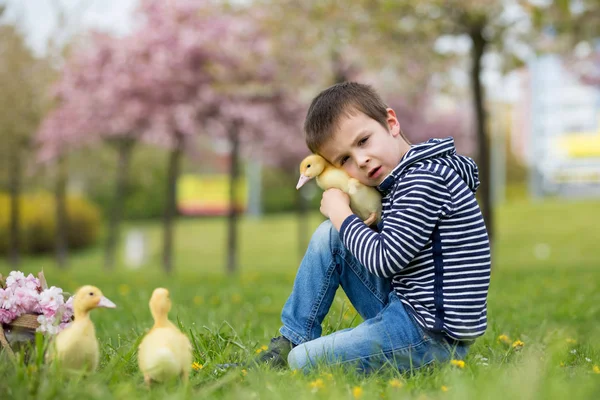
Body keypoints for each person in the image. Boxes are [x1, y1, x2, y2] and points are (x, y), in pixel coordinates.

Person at [253, 82, 491, 373]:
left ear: (391, 123)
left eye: (363, 141)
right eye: (345, 160)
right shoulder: (403, 178)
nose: (361, 160)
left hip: (431, 336)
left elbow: (385, 259)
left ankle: (432, 364)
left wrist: (341, 214)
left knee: (303, 362)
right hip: (408, 309)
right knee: (331, 236)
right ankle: (291, 339)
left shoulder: (424, 181)